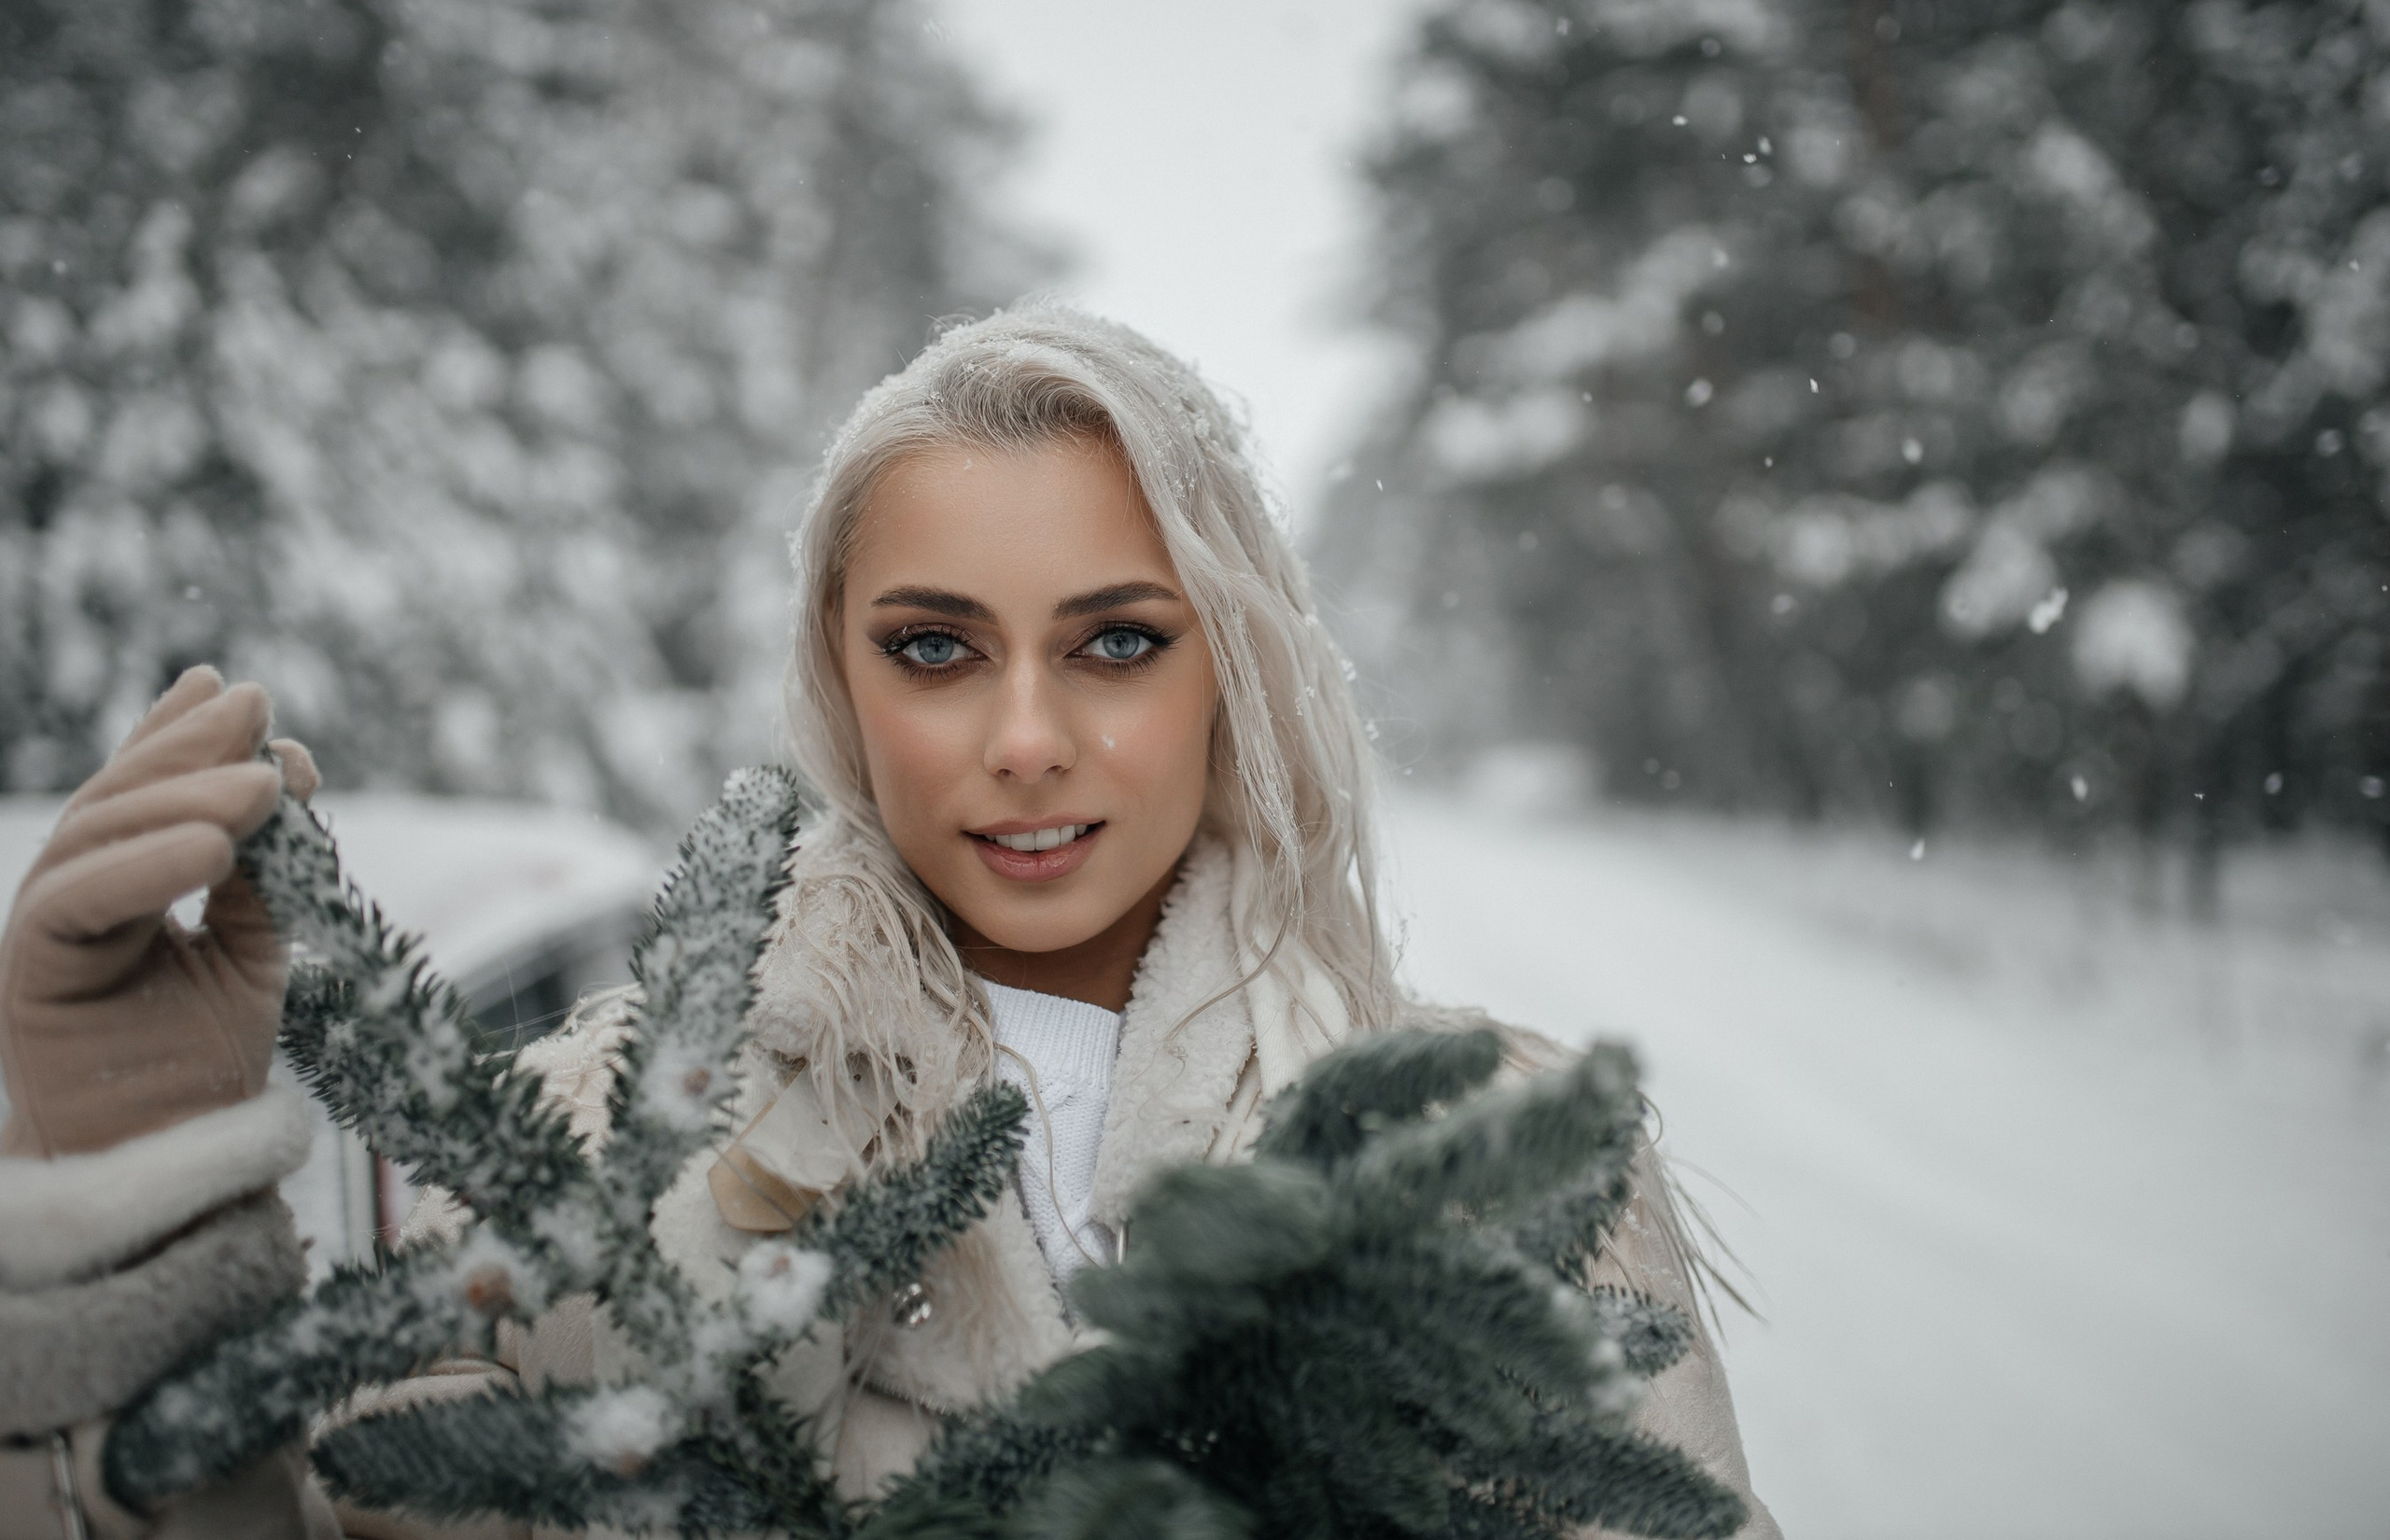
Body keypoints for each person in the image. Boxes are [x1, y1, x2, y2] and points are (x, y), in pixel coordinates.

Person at [0, 306, 1781, 1539]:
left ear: (1231, 665)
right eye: (935, 648)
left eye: (1117, 642)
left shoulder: (1504, 1160)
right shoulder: (592, 1151)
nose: (1026, 739)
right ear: (840, 687)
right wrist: (130, 1166)